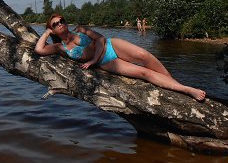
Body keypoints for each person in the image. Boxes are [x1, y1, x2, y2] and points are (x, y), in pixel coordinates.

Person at [35, 14, 206, 102]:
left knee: (144, 55)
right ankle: (185, 89)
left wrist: (93, 60)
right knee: (144, 73)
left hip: (112, 45)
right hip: (107, 62)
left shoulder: (80, 30)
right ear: (53, 29)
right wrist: (46, 32)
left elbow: (101, 39)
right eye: (55, 24)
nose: (60, 24)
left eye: (61, 21)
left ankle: (177, 85)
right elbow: (39, 50)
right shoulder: (60, 47)